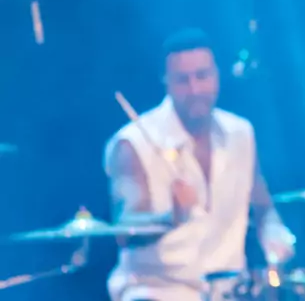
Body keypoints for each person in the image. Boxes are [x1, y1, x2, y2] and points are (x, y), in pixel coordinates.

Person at [104, 28, 295, 301]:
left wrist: (276, 237)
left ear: (217, 76)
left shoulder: (240, 133)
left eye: (202, 76)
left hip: (229, 291)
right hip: (156, 292)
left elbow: (263, 208)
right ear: (166, 81)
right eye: (183, 80)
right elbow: (126, 230)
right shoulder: (133, 143)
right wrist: (171, 217)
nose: (195, 90)